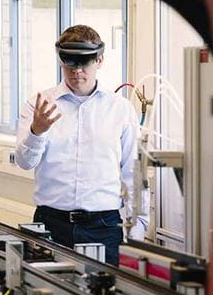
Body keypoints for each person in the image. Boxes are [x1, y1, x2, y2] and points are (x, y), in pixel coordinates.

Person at [14, 25, 138, 266]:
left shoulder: (120, 110)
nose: (77, 71)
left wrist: (137, 231)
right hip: (50, 224)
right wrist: (36, 132)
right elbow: (24, 163)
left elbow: (131, 172)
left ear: (100, 59)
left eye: (84, 63)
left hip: (104, 227)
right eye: (69, 64)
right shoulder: (39, 105)